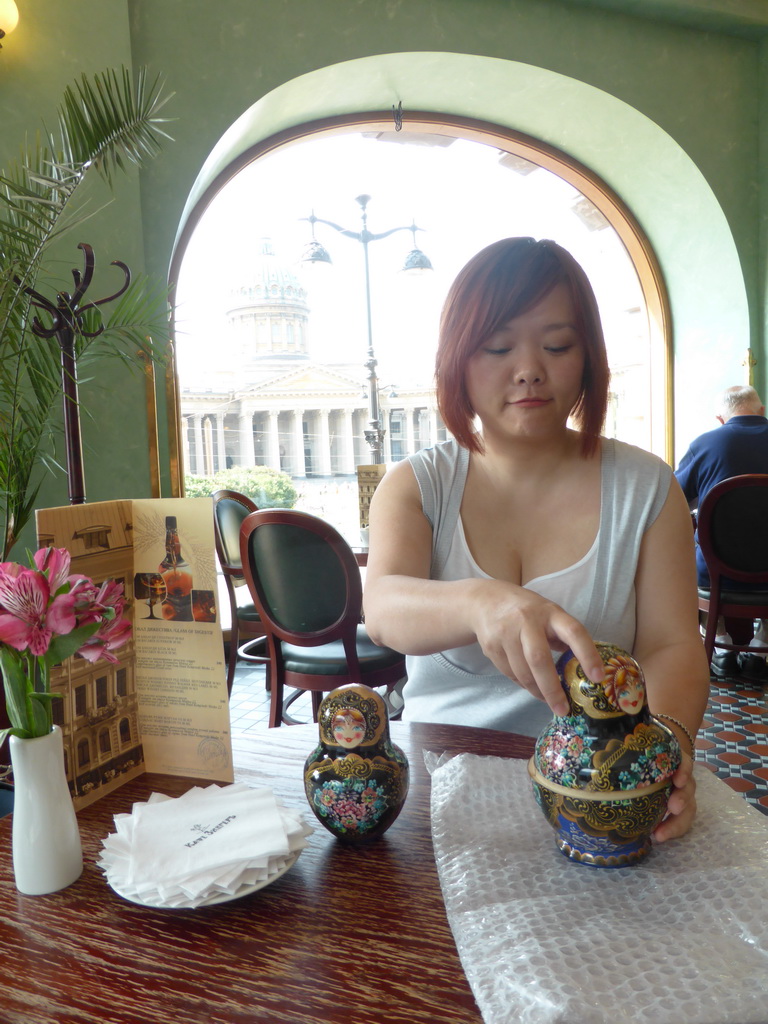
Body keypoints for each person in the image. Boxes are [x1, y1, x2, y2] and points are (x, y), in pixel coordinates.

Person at [363, 236, 710, 842]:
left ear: (589, 357)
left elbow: (672, 644)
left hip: (600, 789)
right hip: (440, 790)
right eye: (498, 346)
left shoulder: (646, 487)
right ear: (458, 361)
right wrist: (480, 601)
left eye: (557, 345)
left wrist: (667, 742)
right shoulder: (417, 484)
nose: (529, 369)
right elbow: (385, 605)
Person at [675, 384, 768, 681]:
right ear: (761, 411)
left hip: (714, 575)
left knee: (687, 556)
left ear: (720, 419)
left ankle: (722, 647)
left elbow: (674, 500)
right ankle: (760, 647)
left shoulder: (704, 444)